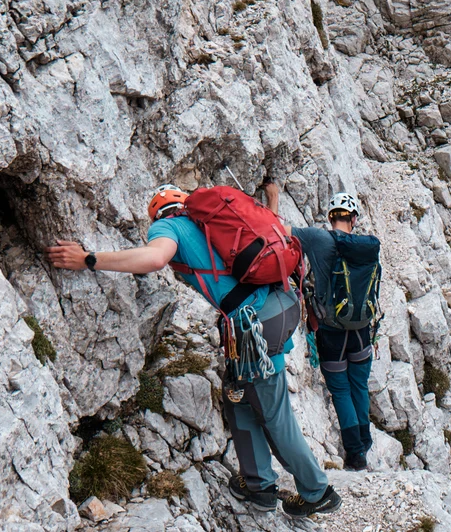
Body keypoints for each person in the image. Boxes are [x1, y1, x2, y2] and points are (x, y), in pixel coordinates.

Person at [45, 184, 342, 518]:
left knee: (274, 412)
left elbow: (155, 258)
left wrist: (88, 259)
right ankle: (258, 484)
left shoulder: (169, 226)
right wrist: (272, 199)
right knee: (239, 396)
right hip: (281, 305)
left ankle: (318, 492)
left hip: (255, 322)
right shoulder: (217, 222)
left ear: (156, 215)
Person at [264, 182, 377, 471]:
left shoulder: (316, 238)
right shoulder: (366, 248)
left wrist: (273, 197)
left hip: (331, 331)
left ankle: (356, 454)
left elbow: (273, 231)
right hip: (361, 330)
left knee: (340, 390)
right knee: (359, 385)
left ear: (330, 217)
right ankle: (364, 442)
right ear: (354, 219)